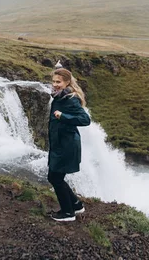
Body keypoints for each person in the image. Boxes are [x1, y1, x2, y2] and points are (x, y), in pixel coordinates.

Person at [47, 66, 91, 222]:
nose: (55, 84)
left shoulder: (70, 99)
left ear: (66, 82)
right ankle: (76, 205)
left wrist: (63, 116)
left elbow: (86, 120)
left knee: (55, 177)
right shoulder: (60, 96)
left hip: (66, 146)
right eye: (53, 81)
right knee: (56, 177)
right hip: (60, 144)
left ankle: (67, 213)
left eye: (58, 82)